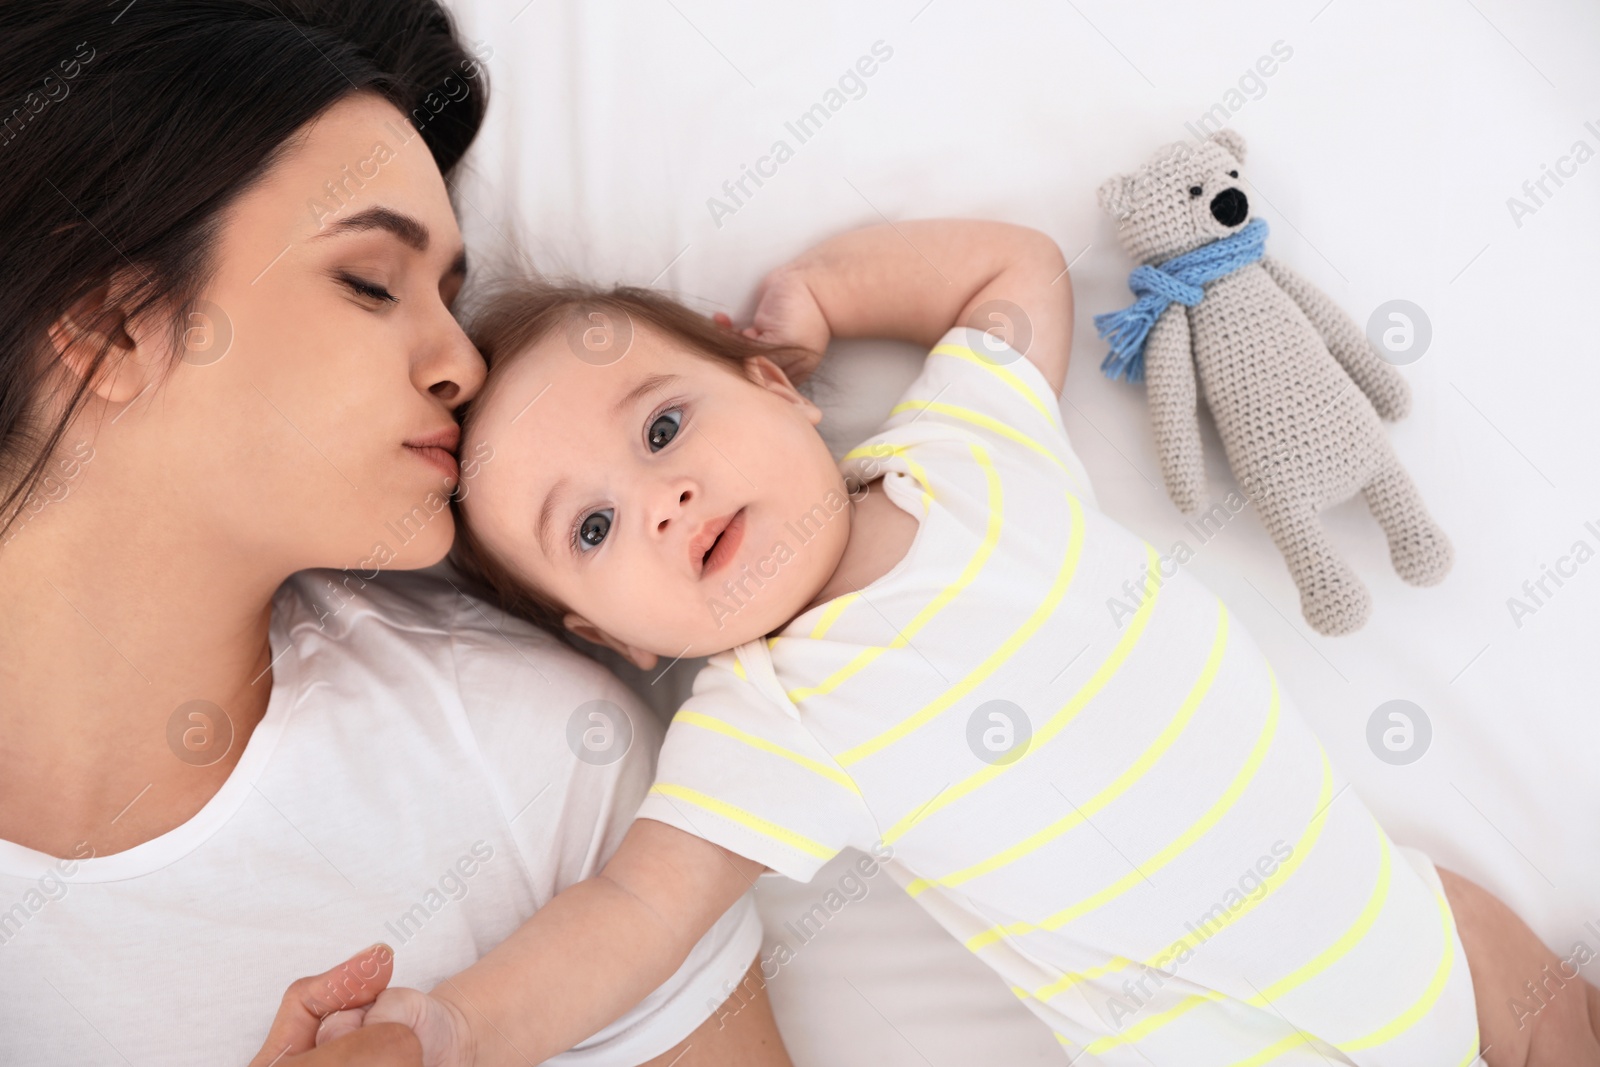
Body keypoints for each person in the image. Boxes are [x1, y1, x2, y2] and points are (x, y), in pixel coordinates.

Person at [341, 219, 1600, 1066]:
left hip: (1402, 920)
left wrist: (825, 290)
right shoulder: (764, 719)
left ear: (771, 384)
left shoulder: (962, 446)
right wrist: (447, 1024)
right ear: (599, 630)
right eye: (598, 524)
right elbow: (630, 911)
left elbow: (1021, 271)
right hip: (1225, 1038)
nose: (662, 497)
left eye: (665, 427)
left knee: (1533, 983)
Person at [0, 3, 790, 1064]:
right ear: (108, 328)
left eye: (452, 300)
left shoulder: (536, 761)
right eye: (371, 281)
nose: (462, 363)